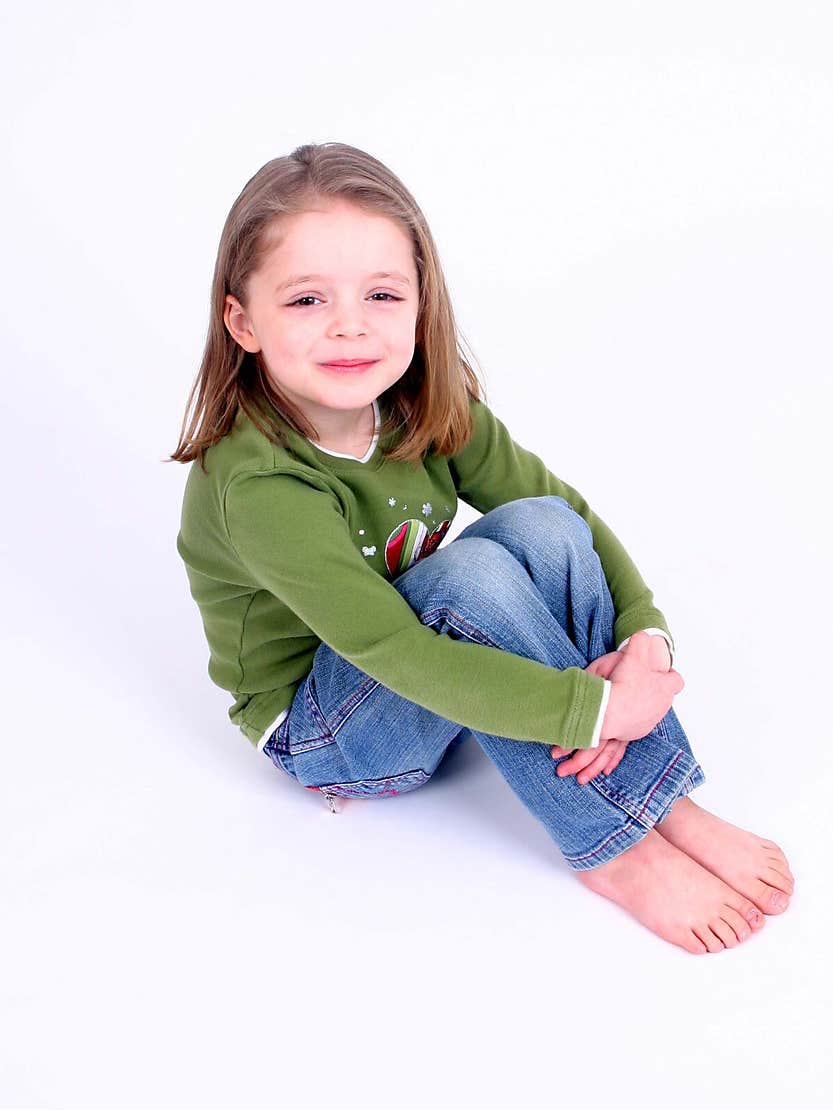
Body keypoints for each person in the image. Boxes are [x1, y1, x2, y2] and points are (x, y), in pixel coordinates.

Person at [170, 142, 794, 954]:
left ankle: (661, 796)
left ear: (422, 303)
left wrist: (644, 638)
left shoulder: (424, 402)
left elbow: (560, 509)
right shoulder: (259, 484)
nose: (350, 324)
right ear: (243, 322)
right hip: (330, 728)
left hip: (433, 667)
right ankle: (615, 844)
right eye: (306, 300)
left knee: (542, 528)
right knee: (469, 576)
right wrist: (594, 706)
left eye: (383, 293)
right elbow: (395, 649)